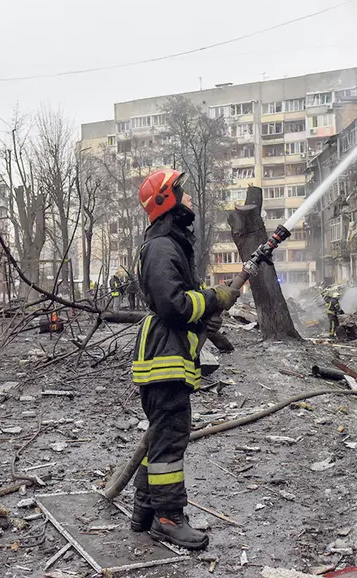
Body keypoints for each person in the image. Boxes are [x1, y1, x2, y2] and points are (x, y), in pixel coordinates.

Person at [131, 168, 239, 550]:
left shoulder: (170, 243)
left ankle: (144, 512)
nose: (190, 199)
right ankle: (168, 518)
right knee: (170, 444)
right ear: (167, 200)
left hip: (168, 357)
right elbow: (172, 304)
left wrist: (207, 308)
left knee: (161, 440)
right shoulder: (162, 247)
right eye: (183, 193)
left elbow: (181, 303)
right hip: (164, 359)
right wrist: (212, 298)